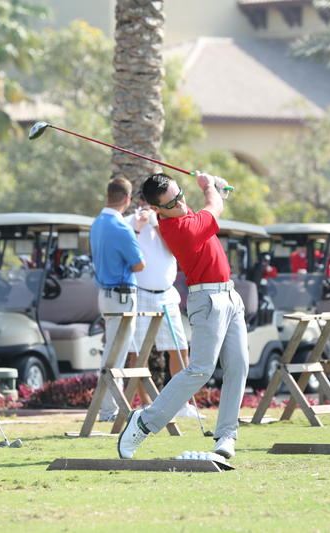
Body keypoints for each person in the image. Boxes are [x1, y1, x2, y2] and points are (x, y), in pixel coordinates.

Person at [118, 171, 248, 460]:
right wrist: (209, 186)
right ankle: (144, 422)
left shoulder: (184, 213)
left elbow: (213, 204)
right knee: (200, 369)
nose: (179, 203)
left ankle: (226, 435)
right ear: (156, 209)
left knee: (238, 366)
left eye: (179, 195)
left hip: (230, 294)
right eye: (171, 203)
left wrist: (216, 189)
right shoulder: (180, 228)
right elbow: (214, 207)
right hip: (207, 299)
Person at [123, 197, 196, 417]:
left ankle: (181, 405)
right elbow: (127, 253)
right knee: (138, 353)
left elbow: (175, 249)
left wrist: (156, 224)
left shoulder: (167, 223)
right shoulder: (129, 222)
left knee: (180, 349)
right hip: (141, 293)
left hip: (167, 294)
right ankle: (146, 404)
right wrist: (139, 226)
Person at [90, 177, 145, 422]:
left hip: (105, 295)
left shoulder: (97, 223)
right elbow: (139, 264)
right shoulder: (121, 227)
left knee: (113, 353)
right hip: (121, 297)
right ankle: (108, 411)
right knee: (116, 357)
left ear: (108, 195)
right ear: (127, 199)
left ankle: (108, 410)